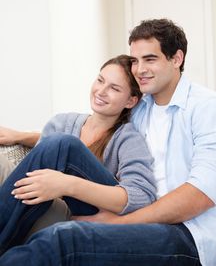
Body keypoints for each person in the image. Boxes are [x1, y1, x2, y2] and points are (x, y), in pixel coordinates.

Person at [0, 19, 216, 266]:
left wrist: (119, 223)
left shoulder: (209, 107)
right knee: (62, 145)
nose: (140, 69)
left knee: (62, 239)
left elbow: (201, 195)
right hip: (134, 209)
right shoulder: (141, 107)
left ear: (176, 59)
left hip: (186, 234)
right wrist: (23, 135)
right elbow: (91, 131)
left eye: (150, 59)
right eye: (135, 60)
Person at [0, 54, 156, 255]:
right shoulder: (61, 122)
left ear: (130, 101)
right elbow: (33, 167)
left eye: (114, 88)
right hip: (40, 207)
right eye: (100, 80)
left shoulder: (128, 139)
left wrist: (66, 185)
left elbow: (141, 197)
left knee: (63, 143)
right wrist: (20, 136)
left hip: (78, 216)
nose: (101, 91)